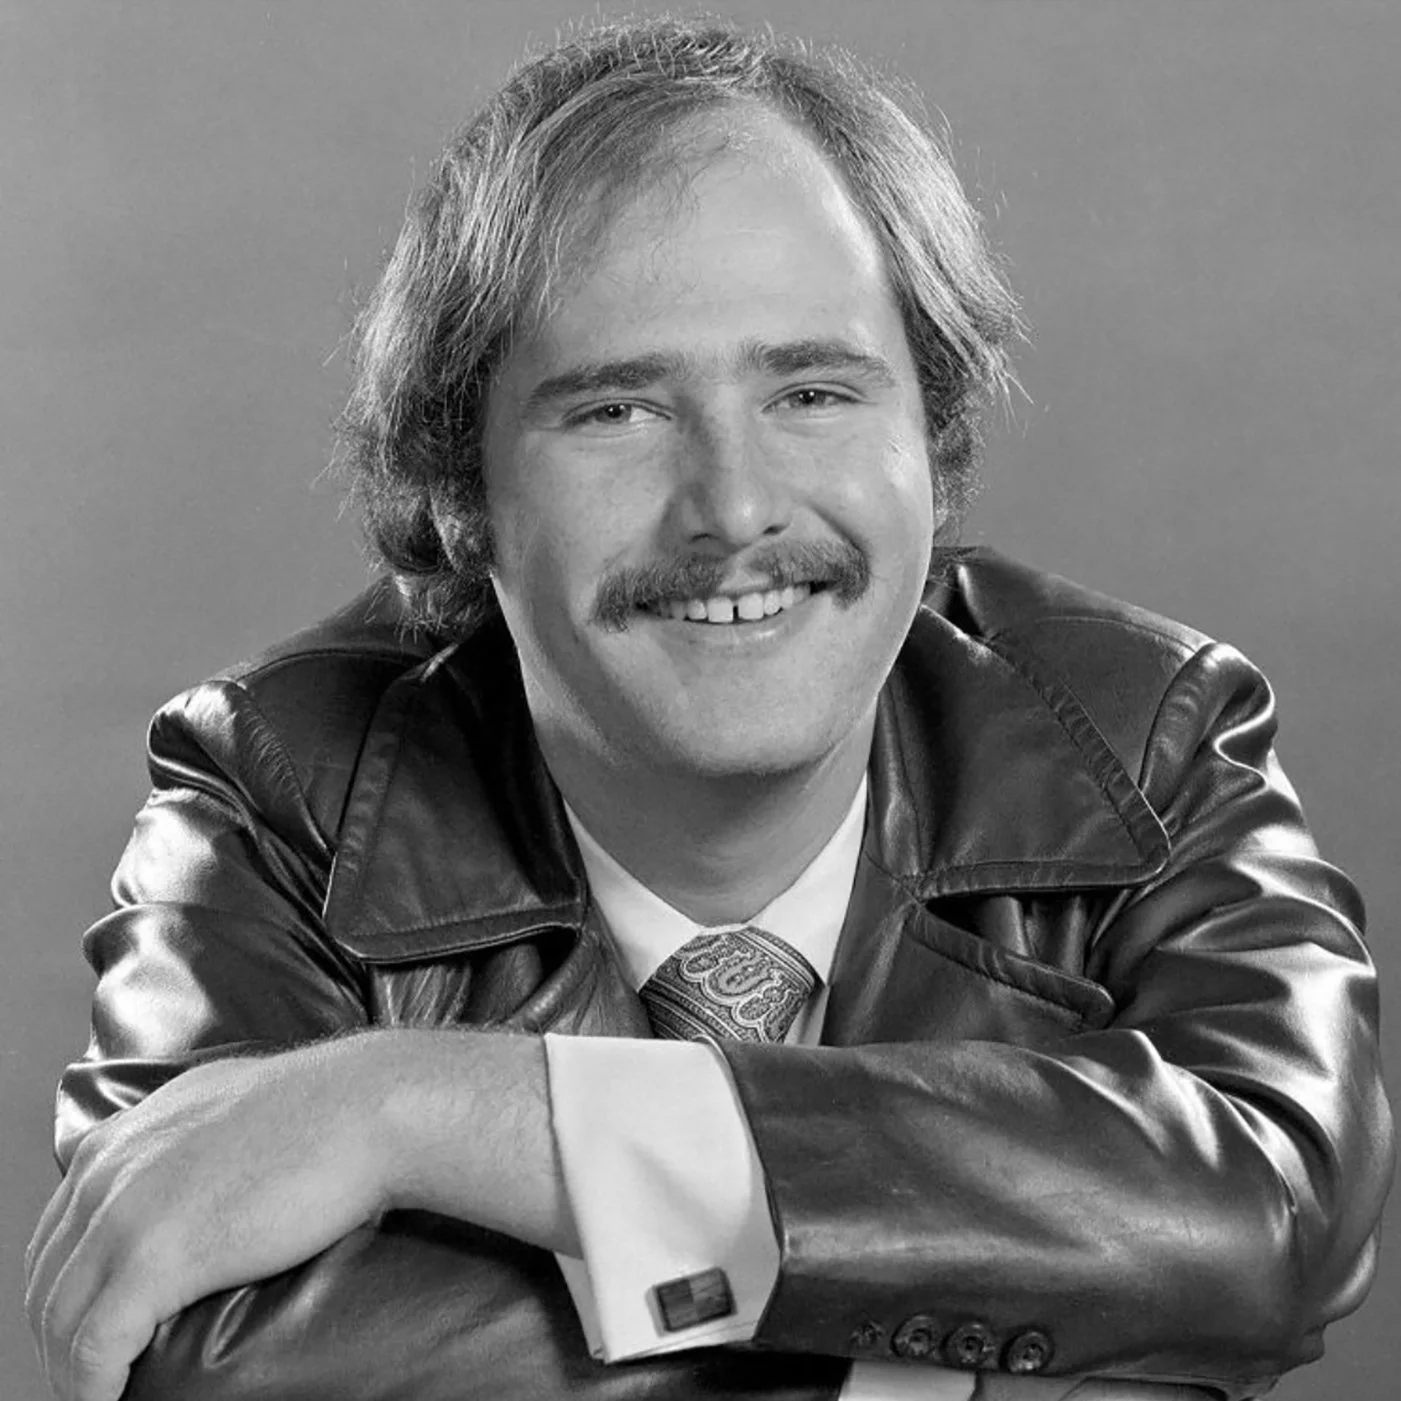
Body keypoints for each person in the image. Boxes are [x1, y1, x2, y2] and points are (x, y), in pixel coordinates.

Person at [23, 17, 1393, 1401]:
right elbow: (222, 1364)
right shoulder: (277, 788)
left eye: (812, 389)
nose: (735, 508)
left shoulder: (1146, 734)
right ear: (460, 494)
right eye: (618, 411)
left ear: (936, 436)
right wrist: (978, 1328)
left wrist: (423, 1109)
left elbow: (1267, 1213)